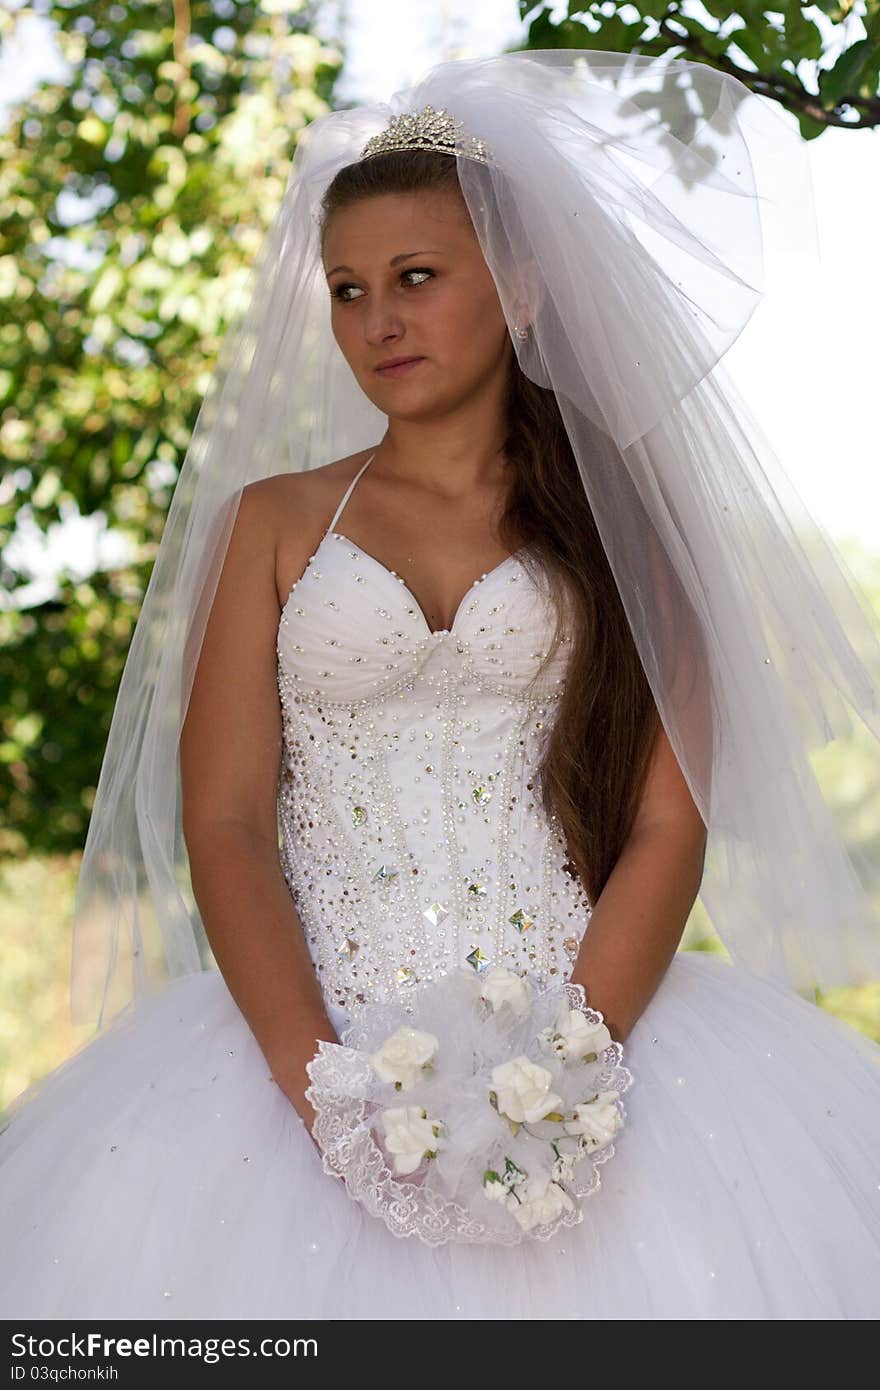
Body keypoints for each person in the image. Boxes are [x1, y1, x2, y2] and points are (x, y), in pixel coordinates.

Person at [1, 49, 880, 1321]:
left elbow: (664, 823)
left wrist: (571, 1068)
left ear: (519, 286)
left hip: (602, 1033)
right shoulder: (271, 520)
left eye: (417, 277)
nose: (379, 323)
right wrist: (324, 1089)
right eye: (349, 290)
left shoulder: (627, 521)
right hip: (301, 1051)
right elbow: (229, 821)